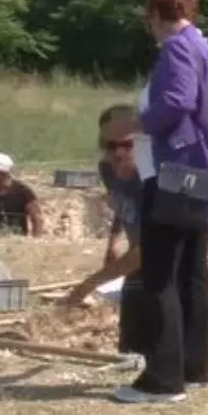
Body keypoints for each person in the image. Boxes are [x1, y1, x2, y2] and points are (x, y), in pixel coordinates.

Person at [104, 0, 208, 404]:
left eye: (150, 22)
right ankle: (193, 368)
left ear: (156, 16)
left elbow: (178, 101)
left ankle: (163, 379)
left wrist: (138, 125)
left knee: (160, 273)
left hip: (177, 169)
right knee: (192, 272)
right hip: (205, 170)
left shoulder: (176, 48)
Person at [63, 105, 149, 356]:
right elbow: (121, 204)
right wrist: (113, 240)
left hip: (160, 262)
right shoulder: (107, 169)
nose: (118, 153)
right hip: (136, 261)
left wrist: (85, 286)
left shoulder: (151, 179)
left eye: (127, 145)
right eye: (110, 146)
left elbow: (147, 249)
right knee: (129, 346)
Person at [0, 153, 43, 237]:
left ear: (2, 173)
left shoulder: (23, 192)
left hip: (14, 240)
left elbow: (36, 218)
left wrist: (36, 241)